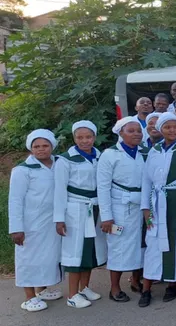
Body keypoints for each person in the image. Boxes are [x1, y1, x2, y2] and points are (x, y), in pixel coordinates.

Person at [140, 113, 176, 307]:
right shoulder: (154, 150)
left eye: (175, 127)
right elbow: (146, 180)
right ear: (160, 129)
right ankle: (146, 288)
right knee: (153, 242)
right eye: (167, 127)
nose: (172, 130)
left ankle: (173, 284)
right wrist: (146, 207)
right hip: (156, 202)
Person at [54, 121, 108, 308]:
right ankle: (72, 294)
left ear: (94, 137)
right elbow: (59, 191)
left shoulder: (100, 156)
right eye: (80, 137)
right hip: (75, 209)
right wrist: (59, 218)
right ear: (74, 138)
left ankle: (84, 288)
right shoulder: (65, 160)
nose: (85, 141)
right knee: (75, 251)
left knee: (90, 250)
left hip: (94, 207)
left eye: (88, 137)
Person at [9, 129, 63, 312]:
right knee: (29, 258)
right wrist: (16, 228)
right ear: (30, 148)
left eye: (45, 145)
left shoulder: (59, 164)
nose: (41, 149)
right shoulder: (22, 170)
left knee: (48, 257)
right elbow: (15, 201)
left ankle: (42, 289)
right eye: (36, 146)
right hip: (30, 223)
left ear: (52, 146)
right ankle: (29, 297)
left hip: (51, 221)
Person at [97, 117, 146, 302]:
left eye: (139, 130)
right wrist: (107, 217)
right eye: (131, 131)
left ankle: (135, 280)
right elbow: (103, 187)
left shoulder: (144, 153)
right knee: (118, 246)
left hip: (141, 206)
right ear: (121, 133)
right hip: (119, 207)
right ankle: (114, 287)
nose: (136, 134)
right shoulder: (109, 155)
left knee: (141, 244)